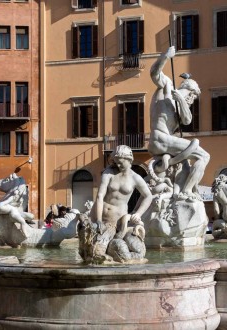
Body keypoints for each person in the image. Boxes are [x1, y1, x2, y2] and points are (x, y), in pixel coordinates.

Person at [149, 46, 210, 201]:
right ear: (191, 92)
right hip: (160, 138)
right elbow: (154, 73)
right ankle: (187, 192)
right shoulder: (167, 87)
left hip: (165, 141)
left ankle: (185, 188)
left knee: (186, 164)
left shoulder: (180, 105)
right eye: (193, 97)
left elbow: (187, 120)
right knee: (204, 156)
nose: (192, 101)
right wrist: (165, 57)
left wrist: (181, 100)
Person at [89, 145, 152, 261]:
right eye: (116, 162)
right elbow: (100, 196)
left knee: (108, 249)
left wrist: (138, 214)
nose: (118, 165)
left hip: (117, 221)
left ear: (129, 160)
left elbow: (148, 196)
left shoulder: (135, 178)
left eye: (121, 162)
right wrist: (98, 220)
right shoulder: (109, 173)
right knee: (94, 251)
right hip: (100, 218)